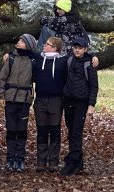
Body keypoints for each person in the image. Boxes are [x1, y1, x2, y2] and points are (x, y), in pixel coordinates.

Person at [0, 34, 36, 172]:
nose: (18, 42)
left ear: (28, 45)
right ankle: (10, 157)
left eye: (22, 41)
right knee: (11, 129)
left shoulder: (33, 60)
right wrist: (0, 96)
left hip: (25, 100)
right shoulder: (11, 58)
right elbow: (1, 79)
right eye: (19, 40)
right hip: (10, 99)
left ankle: (20, 157)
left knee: (22, 130)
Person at [60, 37, 98, 176]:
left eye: (80, 48)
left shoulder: (89, 63)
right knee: (71, 131)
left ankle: (72, 162)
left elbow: (94, 86)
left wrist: (91, 105)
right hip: (68, 101)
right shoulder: (69, 60)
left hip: (81, 103)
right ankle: (78, 160)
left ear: (85, 49)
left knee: (76, 131)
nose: (77, 50)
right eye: (75, 47)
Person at [33, 36, 66, 173]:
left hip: (56, 100)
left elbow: (79, 55)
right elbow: (24, 52)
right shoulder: (39, 58)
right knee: (41, 130)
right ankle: (41, 161)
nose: (44, 45)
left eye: (47, 44)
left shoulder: (63, 61)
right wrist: (8, 54)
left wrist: (93, 57)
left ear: (54, 48)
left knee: (54, 131)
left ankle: (53, 161)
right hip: (40, 99)